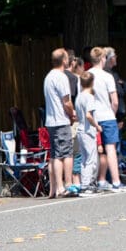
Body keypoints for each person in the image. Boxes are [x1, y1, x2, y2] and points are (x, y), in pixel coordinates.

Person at [88, 47, 126, 192]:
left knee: (95, 150)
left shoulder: (86, 75)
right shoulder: (107, 76)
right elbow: (115, 101)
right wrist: (113, 114)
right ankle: (115, 181)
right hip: (107, 116)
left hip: (92, 116)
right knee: (110, 149)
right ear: (103, 59)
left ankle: (97, 180)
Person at [43, 48, 77, 198]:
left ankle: (55, 188)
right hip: (60, 120)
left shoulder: (48, 76)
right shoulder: (61, 77)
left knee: (55, 154)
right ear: (64, 60)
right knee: (66, 154)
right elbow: (67, 102)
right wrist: (72, 114)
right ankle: (66, 185)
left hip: (50, 120)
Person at [74, 72, 103, 194]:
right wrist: (97, 126)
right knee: (91, 159)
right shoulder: (89, 97)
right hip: (88, 131)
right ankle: (88, 185)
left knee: (84, 159)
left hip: (80, 130)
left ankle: (85, 183)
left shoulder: (79, 96)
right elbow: (88, 115)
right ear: (92, 82)